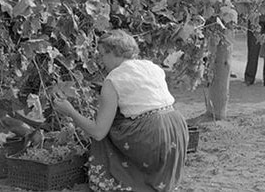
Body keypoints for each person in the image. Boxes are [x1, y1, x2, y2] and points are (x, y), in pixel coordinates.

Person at [53, 30, 188, 191]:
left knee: (106, 127)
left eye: (102, 55)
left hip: (151, 133)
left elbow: (98, 132)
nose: (102, 61)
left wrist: (70, 111)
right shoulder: (152, 67)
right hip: (176, 126)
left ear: (113, 53)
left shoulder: (113, 79)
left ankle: (116, 182)